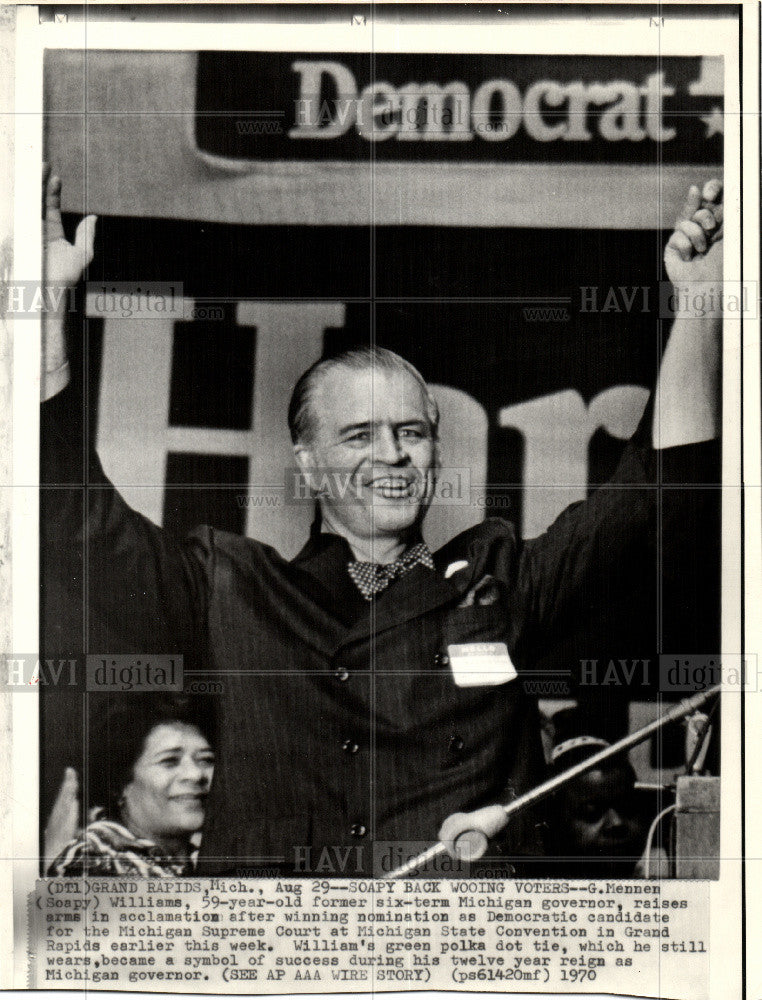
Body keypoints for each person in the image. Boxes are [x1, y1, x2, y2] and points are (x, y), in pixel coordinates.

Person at [40, 167, 723, 875]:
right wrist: (43, 311)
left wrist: (700, 303)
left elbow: (657, 499)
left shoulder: (497, 580)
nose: (392, 454)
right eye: (359, 436)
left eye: (412, 432)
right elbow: (72, 517)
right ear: (306, 465)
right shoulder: (228, 587)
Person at [46, 695, 215, 876]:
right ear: (119, 783)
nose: (196, 774)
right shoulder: (93, 862)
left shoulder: (203, 856)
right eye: (170, 761)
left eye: (206, 759)